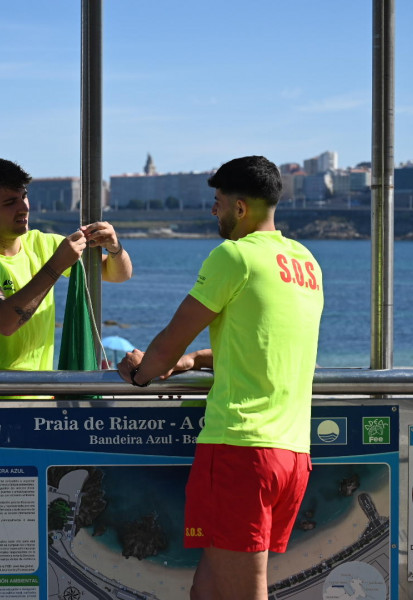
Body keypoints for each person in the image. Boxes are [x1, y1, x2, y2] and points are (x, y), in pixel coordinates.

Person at [117, 156, 324, 600]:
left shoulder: (234, 256)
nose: (213, 211)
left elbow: (168, 343)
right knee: (208, 591)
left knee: (244, 593)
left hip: (241, 451)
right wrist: (197, 361)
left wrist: (141, 373)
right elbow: (269, 348)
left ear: (241, 207)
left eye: (217, 202)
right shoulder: (306, 263)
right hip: (292, 454)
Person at [0, 157, 132, 372]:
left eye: (24, 197)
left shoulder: (44, 244)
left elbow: (119, 274)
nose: (24, 208)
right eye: (10, 202)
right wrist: (56, 265)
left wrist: (114, 247)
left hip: (40, 393)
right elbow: (3, 322)